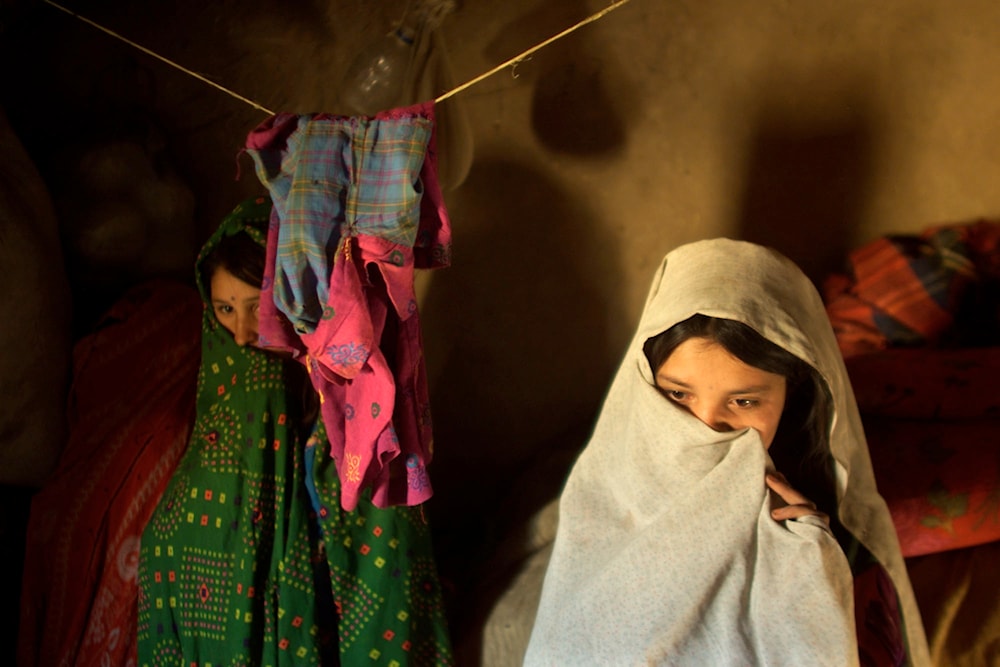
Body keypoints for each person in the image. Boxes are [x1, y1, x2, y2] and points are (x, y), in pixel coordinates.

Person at [524, 238, 931, 666]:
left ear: (791, 396)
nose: (706, 424)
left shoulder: (815, 538)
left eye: (745, 402)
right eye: (678, 394)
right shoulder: (599, 498)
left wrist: (812, 564)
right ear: (643, 387)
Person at [137, 196, 454, 666]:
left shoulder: (357, 393)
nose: (244, 332)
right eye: (224, 309)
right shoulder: (227, 405)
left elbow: (385, 540)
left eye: (255, 307)